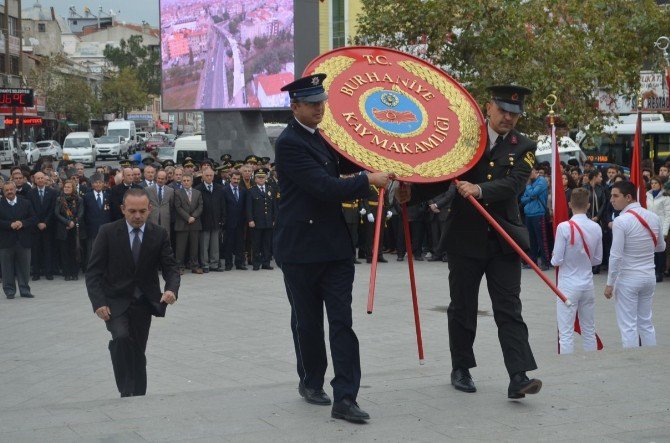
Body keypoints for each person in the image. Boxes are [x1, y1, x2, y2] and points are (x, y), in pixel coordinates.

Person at [396, 84, 542, 399]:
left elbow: (514, 185)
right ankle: (461, 368)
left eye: (514, 113)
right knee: (463, 307)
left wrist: (480, 190)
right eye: (503, 110)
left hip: (503, 239)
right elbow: (440, 175)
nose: (508, 118)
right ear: (488, 107)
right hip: (465, 239)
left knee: (509, 307)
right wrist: (410, 193)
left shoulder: (525, 146)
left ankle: (519, 375)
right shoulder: (464, 140)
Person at [274, 73, 391, 423]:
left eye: (321, 102)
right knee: (308, 322)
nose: (319, 109)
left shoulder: (323, 138)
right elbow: (324, 187)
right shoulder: (289, 143)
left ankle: (346, 397)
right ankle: (311, 380)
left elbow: (348, 161)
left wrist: (383, 162)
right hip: (301, 249)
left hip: (336, 249)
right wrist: (368, 180)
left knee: (342, 322)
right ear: (295, 106)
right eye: (312, 104)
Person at [85, 188, 180, 397]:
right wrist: (98, 302)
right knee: (120, 337)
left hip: (144, 302)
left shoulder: (159, 234)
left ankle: (138, 394)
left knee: (137, 349)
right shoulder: (107, 232)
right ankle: (126, 390)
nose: (137, 216)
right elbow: (93, 273)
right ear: (122, 209)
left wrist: (171, 289)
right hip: (115, 302)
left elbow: (171, 268)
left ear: (149, 209)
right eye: (132, 211)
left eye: (142, 211)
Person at [605, 181, 666, 348]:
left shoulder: (621, 221)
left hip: (628, 278)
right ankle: (650, 358)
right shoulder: (653, 217)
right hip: (648, 277)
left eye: (615, 196)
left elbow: (615, 256)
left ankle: (632, 362)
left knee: (628, 326)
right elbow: (661, 246)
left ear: (629, 197)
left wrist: (609, 284)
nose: (612, 200)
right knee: (646, 322)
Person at [551, 188, 603, 354]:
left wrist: (555, 256)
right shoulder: (596, 227)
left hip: (568, 285)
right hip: (587, 284)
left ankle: (568, 366)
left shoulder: (563, 227)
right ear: (588, 205)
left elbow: (556, 260)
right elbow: (597, 260)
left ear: (569, 205)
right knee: (589, 330)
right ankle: (592, 364)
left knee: (565, 333)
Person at [0, 181, 37, 299]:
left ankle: (24, 289)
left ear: (15, 189)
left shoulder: (25, 203)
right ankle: (9, 290)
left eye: (11, 189)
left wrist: (22, 223)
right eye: (7, 190)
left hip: (23, 240)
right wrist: (9, 225)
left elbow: (34, 218)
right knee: (6, 268)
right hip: (6, 242)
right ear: (3, 192)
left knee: (24, 267)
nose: (9, 192)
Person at [195, 168, 226, 272]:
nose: (209, 177)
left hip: (216, 220)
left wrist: (222, 218)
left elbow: (222, 205)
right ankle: (205, 264)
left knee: (215, 244)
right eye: (207, 175)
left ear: (213, 176)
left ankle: (214, 264)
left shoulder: (219, 188)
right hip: (204, 220)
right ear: (202, 176)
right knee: (204, 244)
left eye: (211, 175)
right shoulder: (198, 189)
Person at [29, 172, 58, 281]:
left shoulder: (52, 192)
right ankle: (36, 273)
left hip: (48, 226)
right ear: (35, 180)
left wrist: (45, 222)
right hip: (35, 226)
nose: (40, 180)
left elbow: (52, 209)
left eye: (42, 178)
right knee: (36, 250)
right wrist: (38, 223)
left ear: (45, 179)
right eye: (38, 178)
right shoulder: (30, 193)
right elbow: (30, 209)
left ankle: (48, 272)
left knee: (48, 249)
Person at [54, 180, 86, 281]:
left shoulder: (79, 199)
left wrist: (73, 222)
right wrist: (67, 223)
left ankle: (74, 273)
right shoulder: (60, 199)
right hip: (63, 228)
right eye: (65, 187)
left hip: (75, 229)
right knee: (64, 252)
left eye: (69, 187)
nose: (66, 188)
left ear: (73, 188)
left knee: (75, 251)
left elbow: (81, 213)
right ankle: (66, 273)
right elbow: (57, 213)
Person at [246, 167, 276, 270]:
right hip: (257, 222)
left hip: (268, 222)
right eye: (259, 177)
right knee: (256, 243)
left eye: (263, 177)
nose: (261, 179)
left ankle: (266, 263)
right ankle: (256, 263)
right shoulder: (251, 191)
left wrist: (274, 219)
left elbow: (273, 206)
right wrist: (250, 220)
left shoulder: (270, 189)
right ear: (255, 179)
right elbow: (249, 207)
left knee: (267, 243)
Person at [521, 165, 550, 270]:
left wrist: (528, 186)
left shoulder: (541, 181)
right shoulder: (532, 183)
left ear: (536, 171)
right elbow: (523, 199)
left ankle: (545, 263)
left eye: (530, 171)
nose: (528, 174)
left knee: (541, 239)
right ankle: (532, 262)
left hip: (539, 214)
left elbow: (533, 193)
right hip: (529, 214)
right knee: (531, 240)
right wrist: (531, 197)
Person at [173, 174, 203, 274]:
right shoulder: (177, 193)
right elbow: (178, 207)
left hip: (195, 223)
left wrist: (193, 216)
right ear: (181, 182)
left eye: (188, 180)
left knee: (194, 246)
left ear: (192, 182)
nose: (186, 182)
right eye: (184, 180)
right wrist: (188, 217)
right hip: (182, 223)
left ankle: (194, 266)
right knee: (180, 247)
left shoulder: (197, 193)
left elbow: (200, 206)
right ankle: (179, 267)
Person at [222, 170, 248, 271]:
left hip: (241, 222)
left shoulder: (243, 190)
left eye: (238, 179)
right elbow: (223, 207)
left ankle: (239, 263)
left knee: (240, 244)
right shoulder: (224, 190)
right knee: (228, 243)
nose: (236, 181)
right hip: (229, 221)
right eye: (234, 179)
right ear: (230, 178)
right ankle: (228, 264)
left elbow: (245, 206)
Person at [646, 176, 670, 282]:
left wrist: (665, 231)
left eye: (656, 183)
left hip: (660, 226)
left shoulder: (665, 197)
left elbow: (668, 215)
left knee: (660, 251)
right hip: (649, 227)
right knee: (652, 251)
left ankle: (659, 272)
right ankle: (652, 271)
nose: (653, 185)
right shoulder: (648, 195)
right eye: (652, 183)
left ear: (660, 184)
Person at [82, 174, 112, 258]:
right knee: (92, 251)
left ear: (103, 184)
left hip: (105, 228)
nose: (98, 184)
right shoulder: (87, 197)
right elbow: (84, 213)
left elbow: (110, 213)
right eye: (96, 182)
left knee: (105, 250)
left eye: (100, 182)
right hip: (92, 229)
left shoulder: (108, 196)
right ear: (92, 184)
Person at [146, 170, 174, 237]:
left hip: (165, 219)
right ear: (156, 178)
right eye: (159, 178)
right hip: (152, 218)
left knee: (165, 238)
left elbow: (171, 205)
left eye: (162, 179)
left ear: (166, 180)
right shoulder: (148, 190)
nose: (160, 180)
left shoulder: (170, 190)